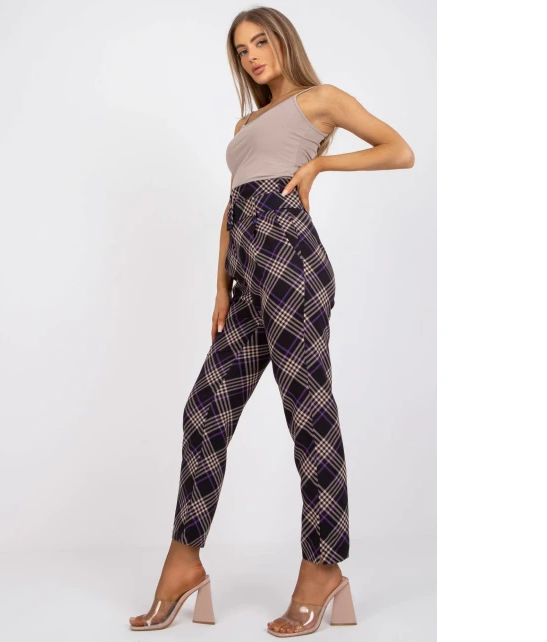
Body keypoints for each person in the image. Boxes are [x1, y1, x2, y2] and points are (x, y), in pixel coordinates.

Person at [129, 6, 414, 636]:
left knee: (308, 416)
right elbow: (232, 205)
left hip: (290, 261)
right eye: (242, 50)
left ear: (283, 41)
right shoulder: (245, 123)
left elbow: (400, 151)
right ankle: (183, 563)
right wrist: (221, 286)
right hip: (247, 274)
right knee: (205, 410)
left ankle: (323, 568)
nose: (253, 55)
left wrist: (319, 166)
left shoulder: (320, 100)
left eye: (261, 41)